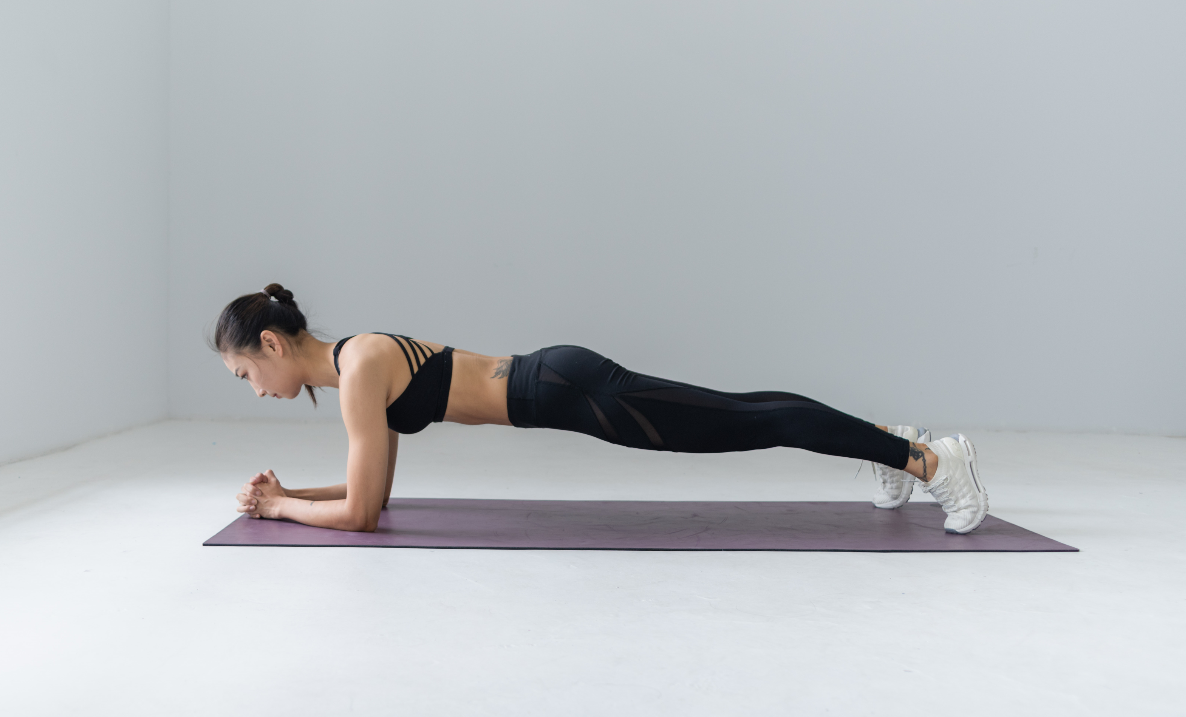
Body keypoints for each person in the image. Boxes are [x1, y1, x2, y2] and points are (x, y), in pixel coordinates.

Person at [223, 284, 989, 535]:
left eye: (246, 373)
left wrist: (281, 508)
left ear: (271, 343)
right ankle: (893, 441)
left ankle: (932, 461)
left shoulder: (359, 371)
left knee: (751, 419)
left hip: (568, 390)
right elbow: (373, 496)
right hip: (558, 382)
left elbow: (359, 516)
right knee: (746, 413)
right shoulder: (359, 362)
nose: (254, 390)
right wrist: (287, 494)